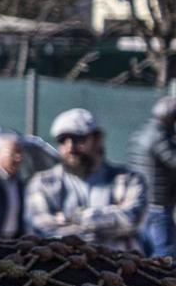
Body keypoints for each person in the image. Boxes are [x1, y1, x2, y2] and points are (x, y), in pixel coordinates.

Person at [27, 107, 147, 254]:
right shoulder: (43, 182)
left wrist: (73, 218)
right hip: (62, 267)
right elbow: (42, 228)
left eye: (78, 139)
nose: (70, 147)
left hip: (119, 267)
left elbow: (131, 219)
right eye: (63, 140)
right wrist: (105, 224)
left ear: (98, 139)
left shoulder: (128, 180)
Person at [127, 97, 176, 256]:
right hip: (157, 205)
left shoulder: (142, 132)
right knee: (165, 255)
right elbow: (172, 160)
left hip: (143, 202)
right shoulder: (159, 137)